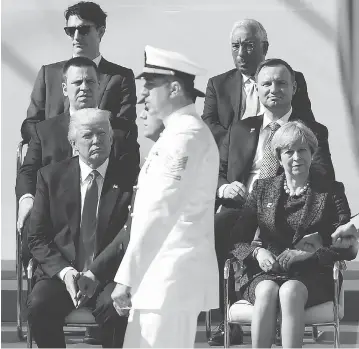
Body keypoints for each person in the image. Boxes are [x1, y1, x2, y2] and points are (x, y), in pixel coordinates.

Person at [208, 58, 334, 346]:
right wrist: (226, 187)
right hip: (243, 204)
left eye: (281, 83)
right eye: (266, 83)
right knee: (219, 226)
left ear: (294, 88)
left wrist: (285, 184)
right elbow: (219, 170)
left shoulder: (312, 131)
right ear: (257, 88)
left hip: (290, 206)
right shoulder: (240, 128)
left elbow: (323, 180)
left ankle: (279, 321)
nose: (273, 89)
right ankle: (226, 319)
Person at [111, 46, 219, 348]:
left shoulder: (186, 136)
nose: (143, 95)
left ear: (173, 88)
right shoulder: (176, 134)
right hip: (158, 278)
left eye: (149, 86)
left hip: (169, 277)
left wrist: (127, 276)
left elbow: (162, 209)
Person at [229, 121, 357, 348]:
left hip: (313, 272)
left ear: (312, 153)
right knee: (267, 290)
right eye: (289, 151)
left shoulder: (331, 190)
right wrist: (258, 252)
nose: (297, 157)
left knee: (290, 291)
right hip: (265, 271)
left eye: (302, 150)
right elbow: (236, 240)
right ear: (279, 158)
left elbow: (346, 245)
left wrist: (310, 255)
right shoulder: (262, 188)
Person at [16, 57, 139, 268]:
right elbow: (28, 170)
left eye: (90, 82)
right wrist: (26, 198)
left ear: (100, 87)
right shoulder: (45, 131)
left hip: (104, 226)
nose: (84, 88)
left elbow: (130, 175)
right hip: (54, 224)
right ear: (65, 89)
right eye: (77, 83)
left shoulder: (120, 131)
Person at [27, 109, 133, 348]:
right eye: (88, 135)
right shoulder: (50, 177)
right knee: (38, 304)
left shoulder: (130, 179)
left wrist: (95, 273)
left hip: (109, 276)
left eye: (102, 134)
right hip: (64, 274)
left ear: (111, 138)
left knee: (116, 307)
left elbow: (130, 234)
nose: (96, 140)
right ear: (73, 143)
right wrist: (66, 273)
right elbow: (36, 238)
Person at [21, 1, 138, 153]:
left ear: (101, 32)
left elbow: (125, 127)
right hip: (52, 163)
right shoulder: (48, 74)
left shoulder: (120, 77)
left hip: (100, 162)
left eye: (83, 30)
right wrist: (56, 143)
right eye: (70, 30)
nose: (76, 37)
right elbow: (30, 124)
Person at [202, 19, 314, 147]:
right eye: (235, 46)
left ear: (264, 47)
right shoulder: (218, 84)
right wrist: (237, 145)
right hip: (234, 157)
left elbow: (306, 123)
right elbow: (208, 124)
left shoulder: (290, 79)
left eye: (249, 45)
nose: (241, 54)